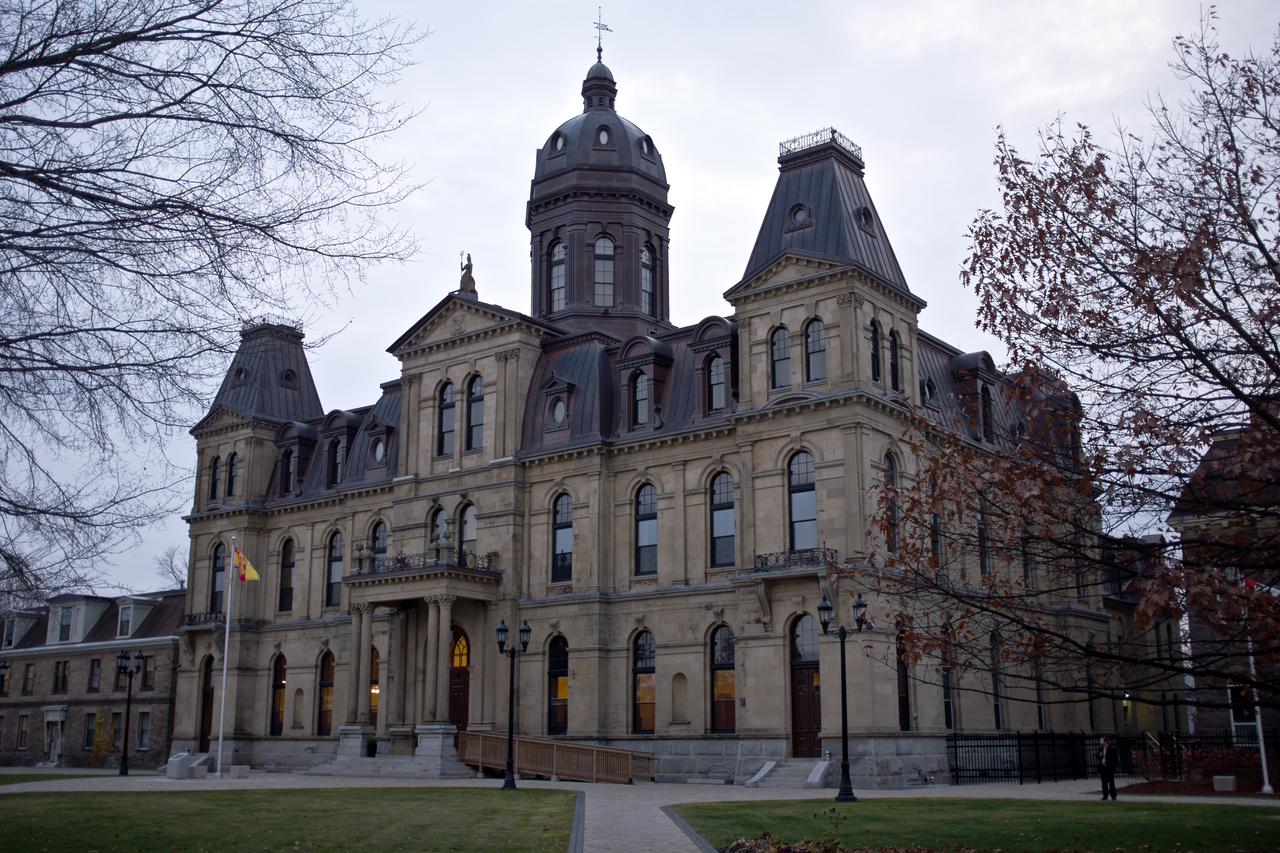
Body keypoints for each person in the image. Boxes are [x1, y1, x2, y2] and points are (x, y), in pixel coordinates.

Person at [1098, 736, 1119, 800]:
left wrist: (1112, 767)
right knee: (1104, 783)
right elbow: (1098, 757)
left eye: (1102, 741)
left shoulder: (1112, 749)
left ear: (1105, 742)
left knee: (1111, 783)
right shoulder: (1100, 749)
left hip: (1109, 768)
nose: (1100, 742)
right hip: (1103, 768)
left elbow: (1115, 759)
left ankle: (1113, 796)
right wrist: (1100, 756)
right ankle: (1105, 796)